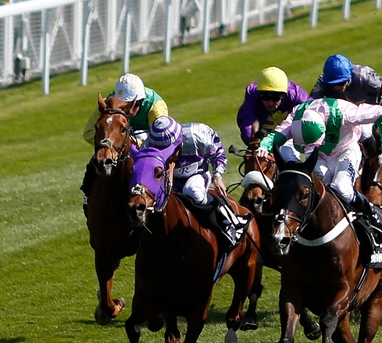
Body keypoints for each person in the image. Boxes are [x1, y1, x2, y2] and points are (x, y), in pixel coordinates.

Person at [255, 98, 382, 269]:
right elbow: (278, 135)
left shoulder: (346, 113)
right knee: (319, 190)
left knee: (341, 189)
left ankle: (372, 216)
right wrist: (264, 146)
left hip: (346, 151)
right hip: (320, 154)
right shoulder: (297, 114)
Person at [148, 116, 250, 252]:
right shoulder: (147, 145)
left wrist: (217, 176)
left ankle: (229, 221)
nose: (168, 154)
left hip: (196, 174)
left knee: (192, 191)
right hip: (167, 176)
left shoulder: (198, 134)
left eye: (170, 149)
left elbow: (218, 154)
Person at [80, 73, 169, 216]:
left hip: (147, 142)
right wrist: (111, 145)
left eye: (132, 105)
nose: (127, 110)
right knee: (95, 160)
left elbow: (161, 138)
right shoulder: (108, 103)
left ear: (140, 100)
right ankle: (88, 195)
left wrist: (135, 143)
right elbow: (89, 132)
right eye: (123, 105)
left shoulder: (156, 106)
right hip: (118, 143)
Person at [310, 54, 382, 154]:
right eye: (333, 84)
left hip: (368, 115)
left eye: (341, 82)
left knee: (364, 133)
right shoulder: (322, 82)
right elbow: (310, 106)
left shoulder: (364, 76)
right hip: (342, 119)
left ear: (349, 76)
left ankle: (373, 159)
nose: (337, 87)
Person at [236, 66, 311, 147]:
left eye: (276, 98)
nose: (270, 103)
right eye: (265, 97)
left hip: (288, 135)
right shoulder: (253, 94)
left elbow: (314, 117)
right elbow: (247, 121)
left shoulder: (296, 95)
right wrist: (254, 140)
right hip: (261, 135)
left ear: (283, 95)